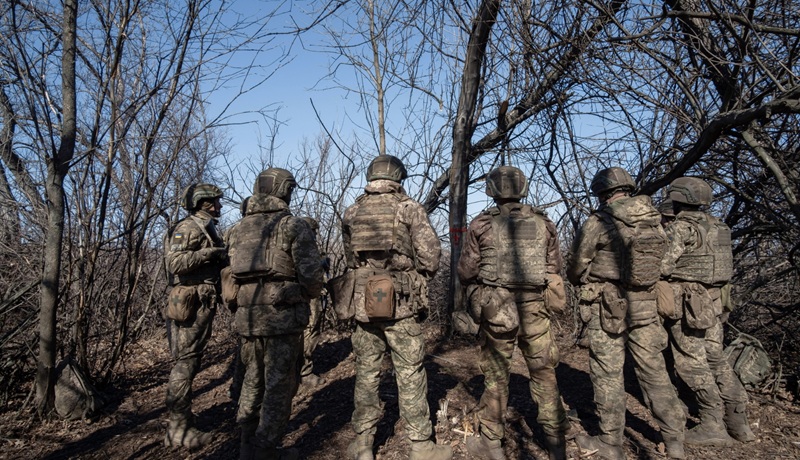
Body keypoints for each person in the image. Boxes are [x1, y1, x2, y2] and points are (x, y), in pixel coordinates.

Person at [567, 167, 686, 460]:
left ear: (602, 193)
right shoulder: (654, 220)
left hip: (609, 307)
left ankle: (611, 442)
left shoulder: (600, 221)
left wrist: (582, 278)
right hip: (646, 305)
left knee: (608, 374)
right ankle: (674, 440)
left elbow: (578, 265)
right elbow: (664, 263)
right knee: (654, 371)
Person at [341, 155, 451, 460]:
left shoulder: (352, 210)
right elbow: (430, 256)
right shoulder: (409, 208)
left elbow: (350, 259)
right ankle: (421, 446)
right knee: (410, 370)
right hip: (401, 303)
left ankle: (363, 443)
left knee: (366, 372)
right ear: (397, 177)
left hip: (365, 302)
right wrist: (414, 278)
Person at [457, 166, 569, 460]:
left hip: (498, 309)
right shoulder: (544, 223)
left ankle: (492, 443)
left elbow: (466, 271)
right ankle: (556, 442)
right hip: (536, 310)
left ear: (492, 190)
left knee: (496, 375)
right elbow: (554, 268)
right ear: (523, 188)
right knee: (544, 373)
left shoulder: (481, 224)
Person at [225, 168, 324, 460]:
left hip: (247, 320)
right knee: (279, 386)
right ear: (283, 189)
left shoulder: (237, 229)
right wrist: (303, 291)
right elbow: (313, 279)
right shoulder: (292, 226)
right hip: (282, 320)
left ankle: (246, 444)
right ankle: (265, 449)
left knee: (251, 381)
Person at [660, 177, 755, 444]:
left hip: (689, 303)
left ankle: (712, 423)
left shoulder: (680, 228)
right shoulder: (720, 227)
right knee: (716, 358)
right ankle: (739, 421)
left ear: (677, 198)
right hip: (715, 302)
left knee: (691, 361)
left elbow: (663, 266)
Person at [163, 183, 227, 449]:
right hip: (191, 303)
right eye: (216, 201)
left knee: (190, 362)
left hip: (201, 300)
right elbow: (175, 263)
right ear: (205, 203)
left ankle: (181, 421)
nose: (220, 206)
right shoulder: (189, 227)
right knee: (184, 364)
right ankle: (178, 429)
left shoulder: (205, 225)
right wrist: (209, 253)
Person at [300, 216, 329, 387]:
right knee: (309, 331)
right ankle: (305, 372)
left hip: (308, 295)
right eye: (313, 231)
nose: (315, 235)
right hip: (309, 296)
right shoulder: (303, 248)